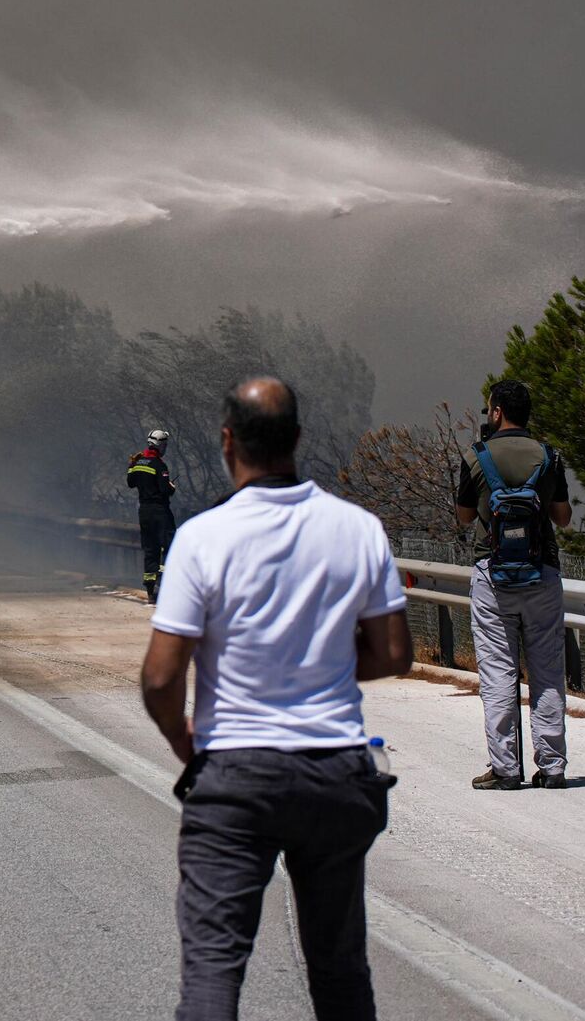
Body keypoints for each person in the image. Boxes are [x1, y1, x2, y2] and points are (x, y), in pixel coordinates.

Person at [140, 378, 411, 1021]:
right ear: (297, 440)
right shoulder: (359, 529)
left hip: (236, 775)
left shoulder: (204, 538)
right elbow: (396, 653)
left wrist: (188, 745)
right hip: (337, 770)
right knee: (341, 970)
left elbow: (158, 678)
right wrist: (326, 668)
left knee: (213, 971)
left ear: (228, 440)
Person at [453, 379, 573, 791]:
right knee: (547, 672)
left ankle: (505, 768)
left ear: (498, 411)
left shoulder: (476, 456)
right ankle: (553, 768)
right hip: (542, 573)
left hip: (493, 575)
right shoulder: (549, 457)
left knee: (498, 673)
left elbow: (465, 517)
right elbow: (562, 518)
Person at [127, 427, 178, 603]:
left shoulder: (138, 463)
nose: (166, 448)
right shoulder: (160, 465)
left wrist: (131, 466)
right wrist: (171, 486)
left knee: (150, 549)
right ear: (159, 445)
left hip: (144, 512)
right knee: (168, 547)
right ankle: (163, 584)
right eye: (165, 444)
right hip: (160, 512)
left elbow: (130, 483)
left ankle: (150, 591)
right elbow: (165, 491)